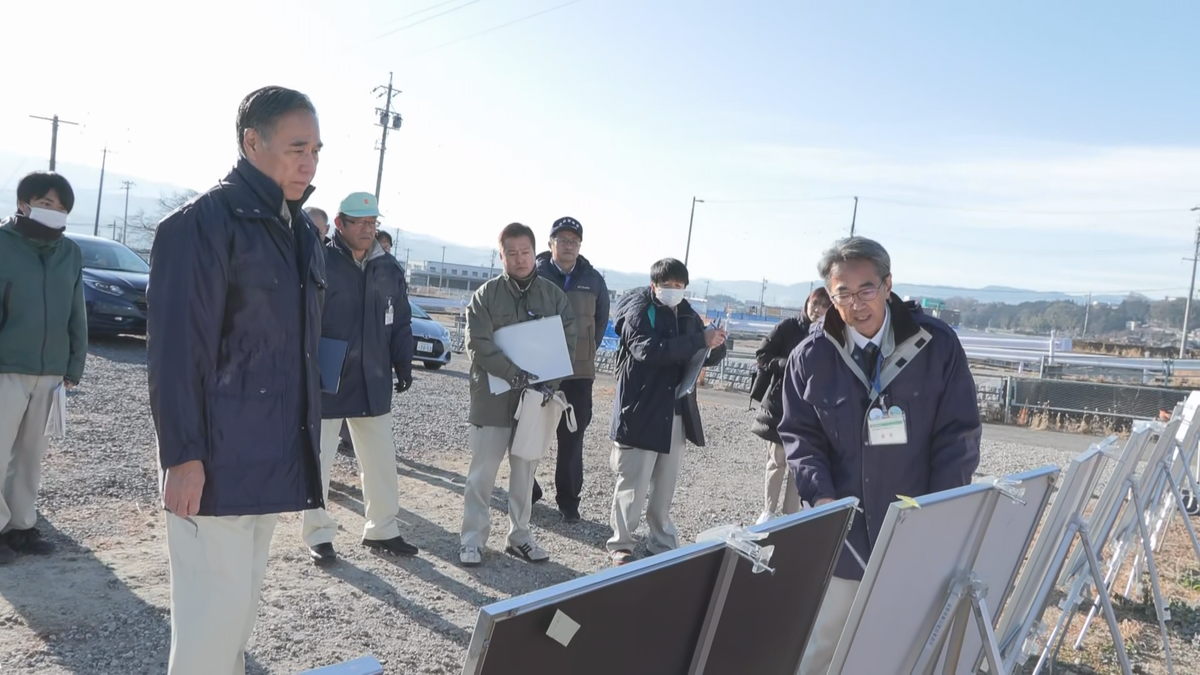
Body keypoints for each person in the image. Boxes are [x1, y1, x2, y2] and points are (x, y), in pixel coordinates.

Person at [147, 85, 326, 675]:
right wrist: (183, 457)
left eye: (317, 150)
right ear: (253, 142)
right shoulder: (202, 225)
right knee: (208, 625)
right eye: (297, 147)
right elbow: (175, 355)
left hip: (269, 452)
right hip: (214, 462)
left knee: (238, 618)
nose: (309, 162)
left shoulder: (298, 232)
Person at [779, 237, 981, 675]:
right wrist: (822, 501)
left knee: (905, 640)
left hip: (913, 525)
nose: (856, 303)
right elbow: (800, 436)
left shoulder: (936, 346)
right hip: (845, 532)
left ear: (888, 285)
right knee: (824, 644)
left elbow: (958, 434)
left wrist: (938, 509)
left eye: (866, 289)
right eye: (843, 294)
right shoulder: (809, 357)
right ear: (830, 297)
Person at [302, 192, 417, 565]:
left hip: (374, 375)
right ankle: (318, 534)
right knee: (318, 458)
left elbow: (400, 321)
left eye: (373, 224)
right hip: (328, 373)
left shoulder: (389, 269)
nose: (369, 230)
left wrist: (403, 364)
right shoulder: (319, 262)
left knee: (380, 459)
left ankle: (382, 528)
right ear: (340, 224)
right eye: (361, 223)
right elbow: (303, 319)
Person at [459, 222, 577, 567]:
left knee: (525, 471)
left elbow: (568, 342)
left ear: (535, 253)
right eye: (512, 253)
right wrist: (515, 374)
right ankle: (472, 538)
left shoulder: (553, 296)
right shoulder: (485, 296)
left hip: (535, 400)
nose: (520, 259)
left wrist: (547, 383)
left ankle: (520, 536)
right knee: (482, 473)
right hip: (492, 398)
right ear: (502, 256)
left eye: (525, 252)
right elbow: (477, 345)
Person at [606, 258, 727, 567]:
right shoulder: (638, 311)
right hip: (641, 409)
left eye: (679, 286)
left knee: (665, 483)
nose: (673, 291)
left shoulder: (687, 313)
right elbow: (648, 350)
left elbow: (701, 354)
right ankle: (622, 543)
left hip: (674, 411)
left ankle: (661, 541)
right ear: (653, 286)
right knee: (633, 482)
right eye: (667, 285)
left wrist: (717, 343)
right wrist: (700, 339)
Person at [0, 171, 86, 564]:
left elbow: (76, 313)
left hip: (50, 373)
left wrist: (74, 365)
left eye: (62, 207)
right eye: (48, 204)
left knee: (31, 454)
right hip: (7, 366)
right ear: (24, 204)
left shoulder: (69, 253)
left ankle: (21, 526)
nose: (56, 213)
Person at [532, 216, 610, 523]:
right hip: (539, 371)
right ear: (550, 244)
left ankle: (569, 500)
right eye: (562, 240)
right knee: (531, 433)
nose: (568, 246)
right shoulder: (536, 274)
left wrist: (585, 351)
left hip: (578, 374)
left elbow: (601, 322)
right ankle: (528, 488)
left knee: (572, 438)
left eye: (574, 241)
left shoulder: (593, 280)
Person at [750, 287, 831, 525]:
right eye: (815, 304)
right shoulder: (789, 327)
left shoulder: (831, 333)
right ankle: (768, 510)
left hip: (810, 410)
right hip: (781, 404)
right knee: (777, 460)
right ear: (807, 303)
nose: (818, 310)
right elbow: (762, 355)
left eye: (825, 306)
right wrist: (790, 365)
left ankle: (791, 514)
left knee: (800, 462)